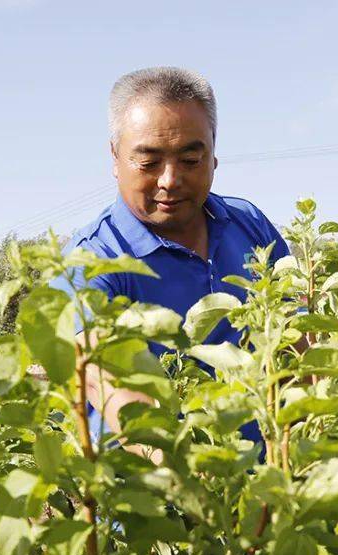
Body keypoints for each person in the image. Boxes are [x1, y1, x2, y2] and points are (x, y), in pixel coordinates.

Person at [51, 66, 292, 451]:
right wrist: (195, 490)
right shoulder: (92, 261)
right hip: (154, 500)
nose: (169, 179)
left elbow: (298, 345)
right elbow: (111, 388)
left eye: (190, 160)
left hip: (266, 493)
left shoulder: (249, 226)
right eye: (148, 162)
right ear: (115, 158)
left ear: (214, 154)